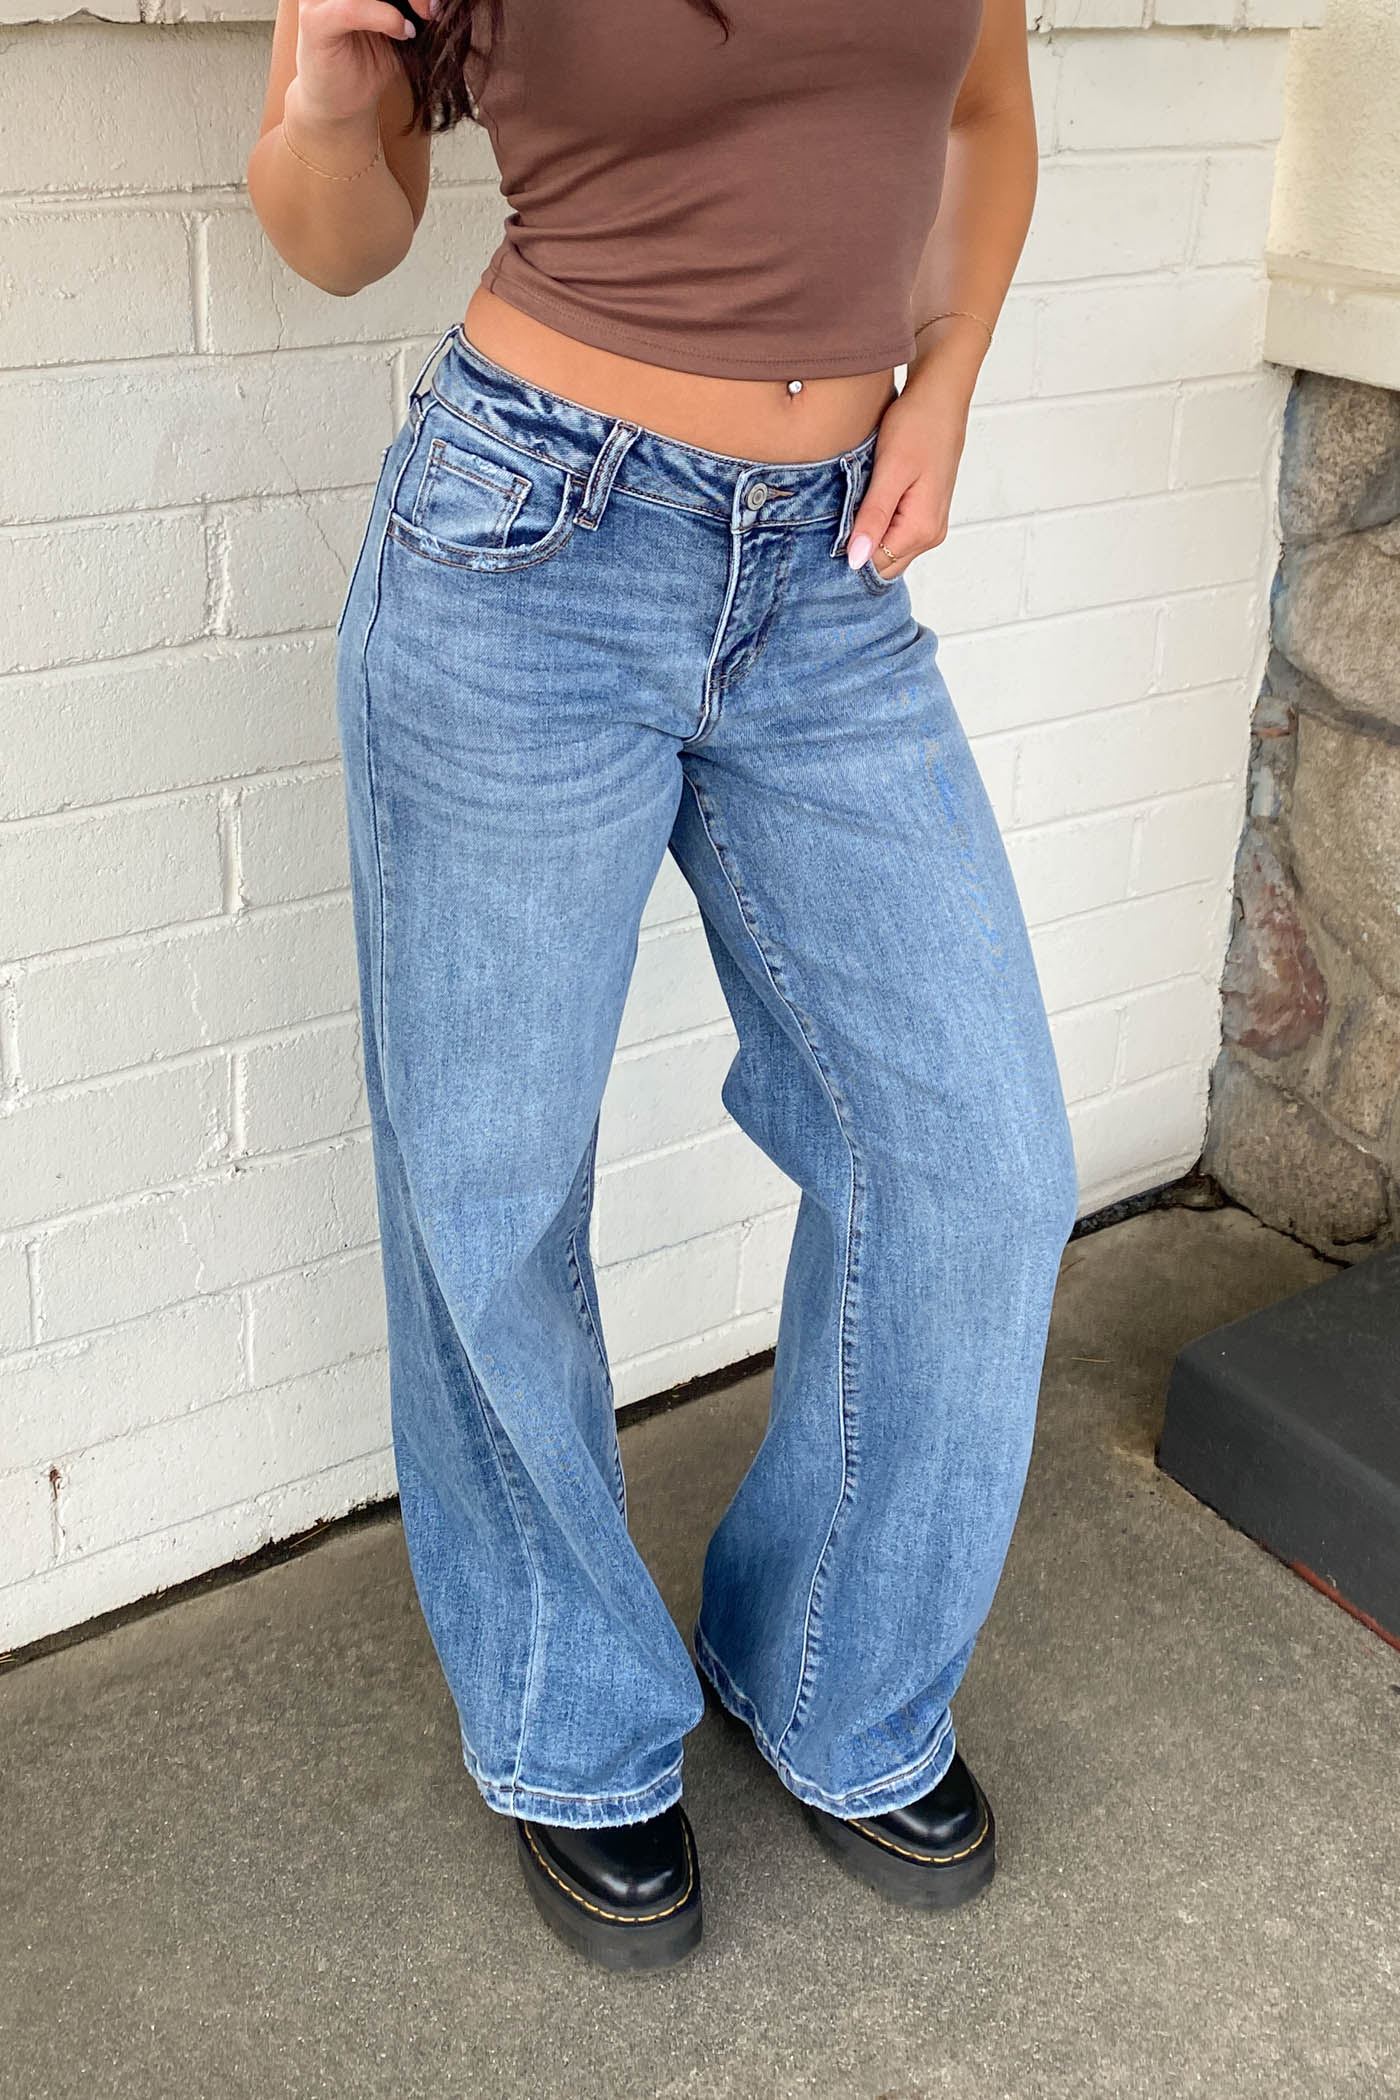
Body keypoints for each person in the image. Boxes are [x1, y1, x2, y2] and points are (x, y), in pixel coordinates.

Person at [247, 0, 1078, 1972]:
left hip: (828, 572)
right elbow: (338, 233)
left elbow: (981, 109)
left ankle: (833, 1678)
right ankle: (571, 1717)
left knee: (976, 1161)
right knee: (490, 1187)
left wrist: (946, 379)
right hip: (530, 545)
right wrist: (324, 93)